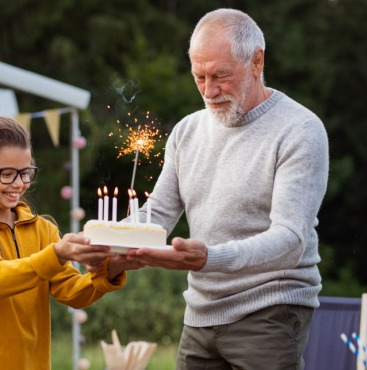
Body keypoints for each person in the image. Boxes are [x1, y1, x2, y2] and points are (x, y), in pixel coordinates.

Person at [125, 8, 329, 369]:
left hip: (270, 308)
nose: (209, 90)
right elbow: (157, 214)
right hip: (200, 311)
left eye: (221, 75)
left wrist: (210, 258)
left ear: (256, 61)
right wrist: (108, 240)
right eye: (199, 77)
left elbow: (290, 239)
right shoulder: (187, 131)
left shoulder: (299, 130)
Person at [0, 116, 140, 369]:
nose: (19, 184)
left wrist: (112, 269)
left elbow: (72, 292)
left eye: (25, 173)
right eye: (7, 174)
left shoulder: (43, 229)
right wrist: (58, 254)